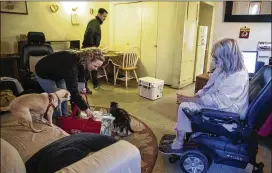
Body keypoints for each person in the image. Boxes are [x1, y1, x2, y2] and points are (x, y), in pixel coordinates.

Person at [160, 38, 249, 153]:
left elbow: (218, 102)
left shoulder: (238, 76)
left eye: (216, 57)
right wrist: (196, 96)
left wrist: (190, 100)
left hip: (230, 111)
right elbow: (208, 87)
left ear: (227, 57)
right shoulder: (223, 67)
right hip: (220, 103)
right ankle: (182, 135)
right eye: (213, 56)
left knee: (185, 107)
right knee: (187, 103)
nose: (213, 60)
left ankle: (178, 143)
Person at [35, 48, 105, 118]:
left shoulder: (84, 64)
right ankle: (57, 120)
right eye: (95, 66)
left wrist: (86, 107)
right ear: (88, 60)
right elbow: (73, 90)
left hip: (60, 73)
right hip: (44, 72)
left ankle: (64, 117)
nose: (96, 69)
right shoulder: (72, 66)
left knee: (65, 97)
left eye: (98, 67)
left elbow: (81, 89)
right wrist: (86, 109)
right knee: (56, 100)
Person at [82, 8, 108, 91]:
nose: (105, 18)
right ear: (99, 14)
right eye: (104, 16)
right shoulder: (94, 22)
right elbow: (89, 33)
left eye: (105, 17)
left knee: (94, 67)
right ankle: (84, 87)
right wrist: (92, 47)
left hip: (91, 48)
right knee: (86, 70)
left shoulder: (96, 23)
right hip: (89, 49)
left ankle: (95, 84)